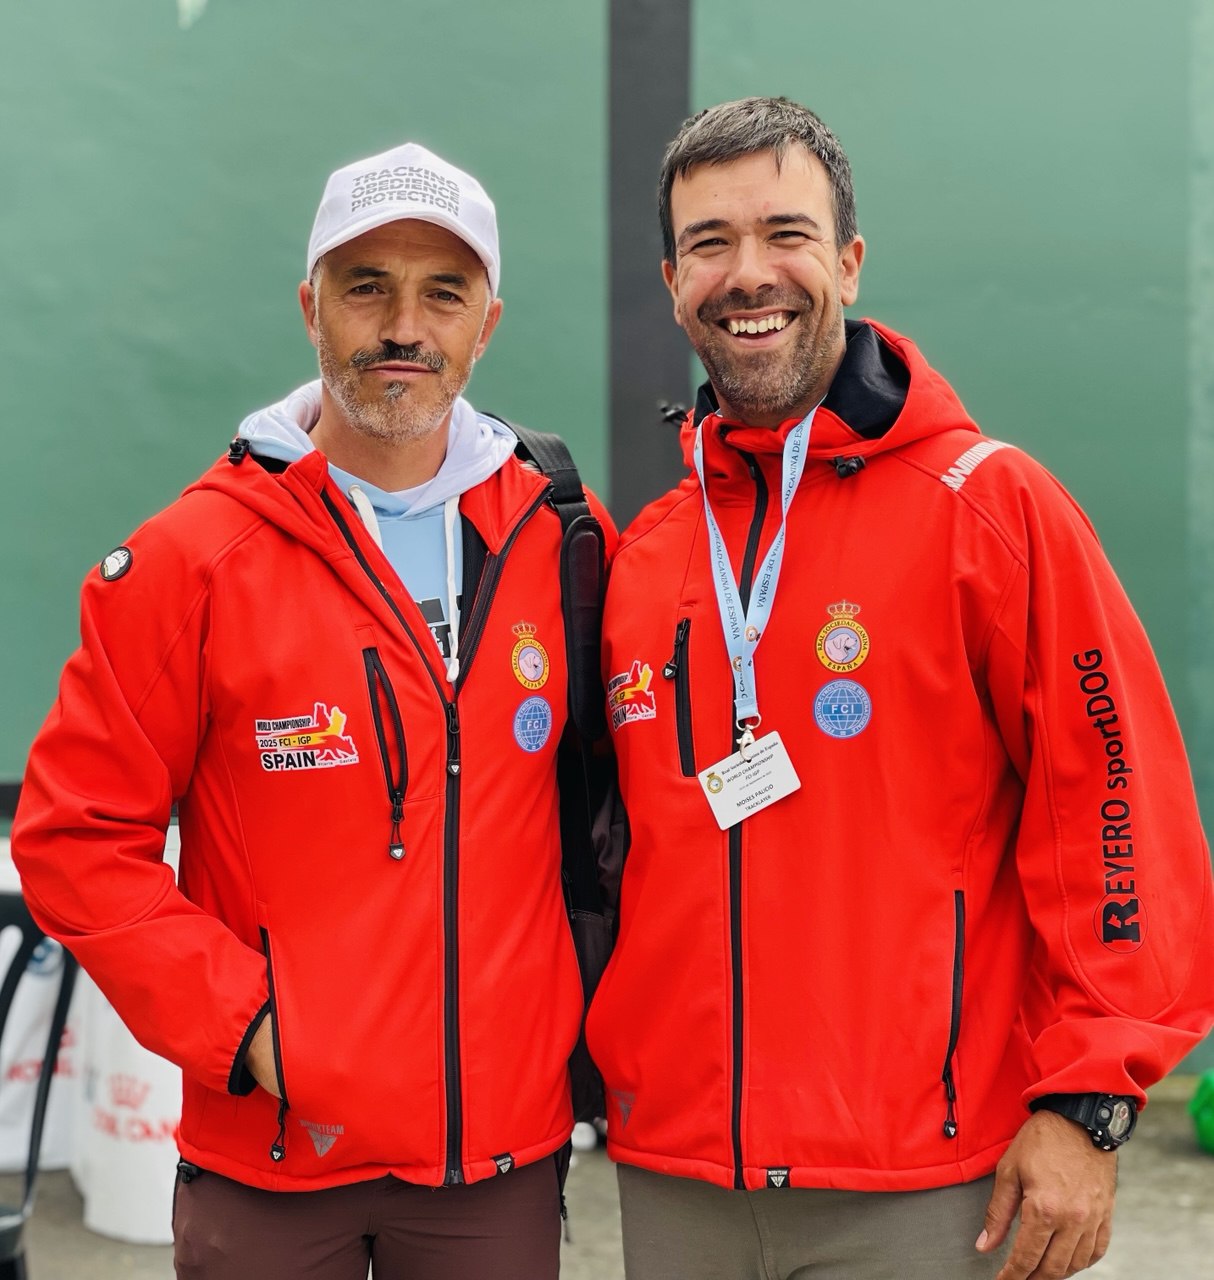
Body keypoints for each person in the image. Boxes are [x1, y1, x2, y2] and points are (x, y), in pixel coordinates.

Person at [585, 96, 1214, 1280]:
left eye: (785, 232)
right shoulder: (648, 555)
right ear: (671, 283)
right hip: (677, 1180)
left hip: (925, 1187)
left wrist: (1087, 1100)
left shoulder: (993, 509)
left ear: (849, 261)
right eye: (709, 243)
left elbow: (1112, 805)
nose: (747, 273)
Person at [13, 140, 613, 1279]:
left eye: (444, 293)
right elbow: (73, 837)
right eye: (366, 287)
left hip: (495, 1163)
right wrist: (245, 1026)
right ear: (311, 309)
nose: (404, 326)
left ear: (486, 325)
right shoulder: (190, 560)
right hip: (271, 1158)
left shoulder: (563, 538)